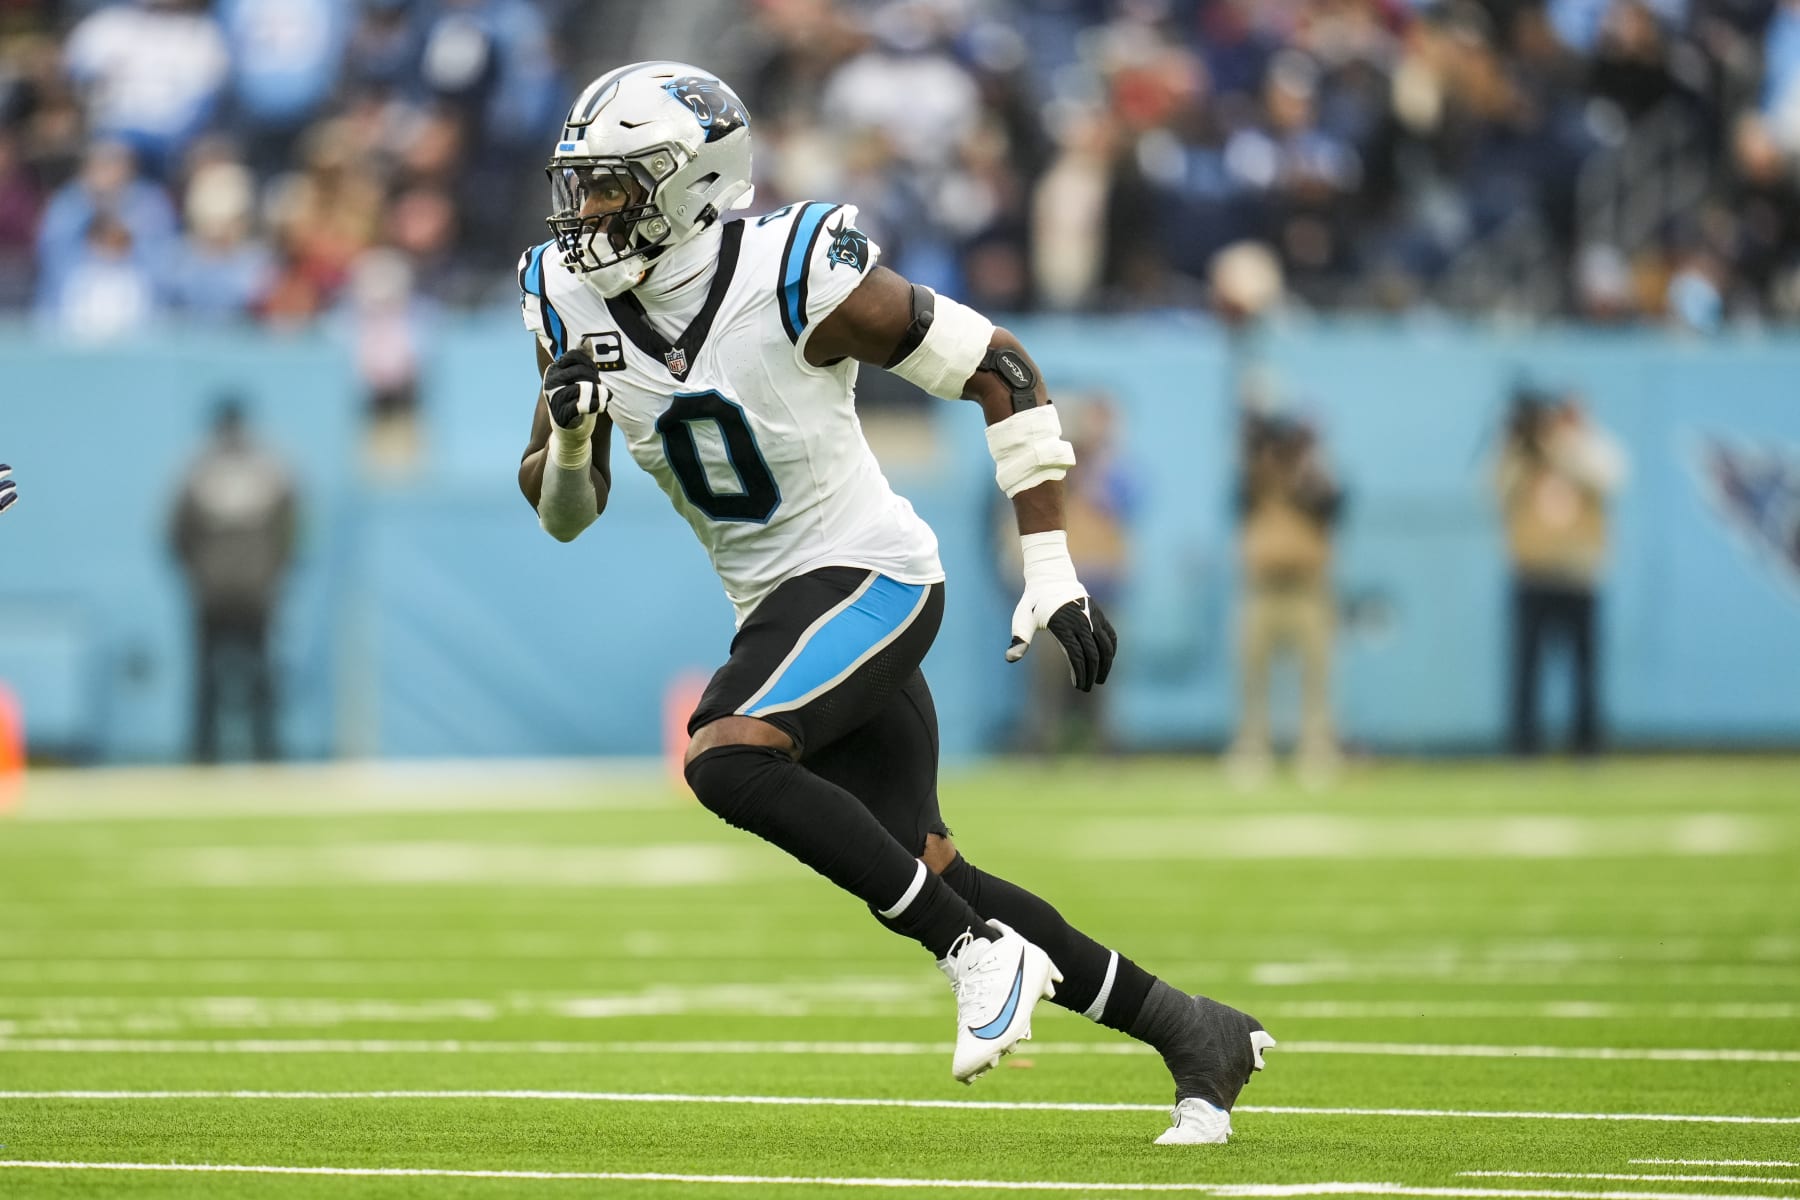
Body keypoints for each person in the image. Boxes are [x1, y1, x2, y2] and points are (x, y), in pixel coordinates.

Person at [516, 62, 1272, 1145]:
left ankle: (973, 956)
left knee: (726, 756)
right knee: (931, 867)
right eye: (579, 187)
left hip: (872, 575)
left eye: (612, 187)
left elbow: (1001, 367)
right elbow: (563, 514)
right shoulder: (560, 293)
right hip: (776, 609)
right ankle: (1193, 1030)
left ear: (694, 183)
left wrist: (1053, 571)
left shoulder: (790, 269)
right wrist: (579, 433)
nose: (584, 215)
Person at [1495, 387, 1627, 755]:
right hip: (1532, 571)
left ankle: (1587, 743)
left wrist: (1561, 445)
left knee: (1584, 668)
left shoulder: (1593, 447)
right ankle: (1524, 744)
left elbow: (1610, 478)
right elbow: (1494, 490)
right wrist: (1521, 446)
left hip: (1579, 572)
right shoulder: (1522, 452)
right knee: (1527, 668)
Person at [169, 397, 298, 763]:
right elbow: (291, 532)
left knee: (209, 680)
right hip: (258, 591)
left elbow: (175, 534)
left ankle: (204, 757)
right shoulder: (273, 469)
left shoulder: (196, 470)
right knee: (260, 677)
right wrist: (275, 573)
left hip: (211, 592)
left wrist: (198, 576)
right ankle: (267, 754)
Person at [1226, 411, 1344, 788]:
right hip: (1261, 587)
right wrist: (1261, 455)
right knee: (1252, 676)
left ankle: (1317, 748)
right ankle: (1252, 748)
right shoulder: (1257, 477)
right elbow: (1239, 499)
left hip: (1307, 589)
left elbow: (1331, 505)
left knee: (1316, 676)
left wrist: (1303, 461)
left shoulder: (1314, 476)